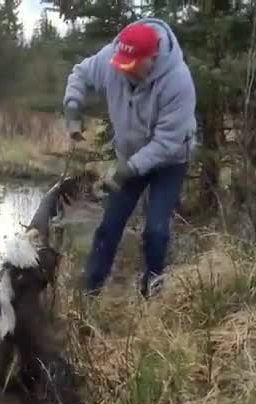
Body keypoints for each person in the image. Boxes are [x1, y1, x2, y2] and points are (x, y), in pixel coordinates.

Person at [63, 18, 197, 297]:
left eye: (132, 66)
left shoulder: (178, 82)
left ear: (152, 58)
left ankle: (152, 291)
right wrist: (73, 107)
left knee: (156, 232)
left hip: (169, 162)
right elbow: (80, 74)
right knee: (109, 226)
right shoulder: (113, 59)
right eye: (120, 64)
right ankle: (89, 294)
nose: (124, 71)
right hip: (130, 156)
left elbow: (166, 142)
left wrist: (127, 170)